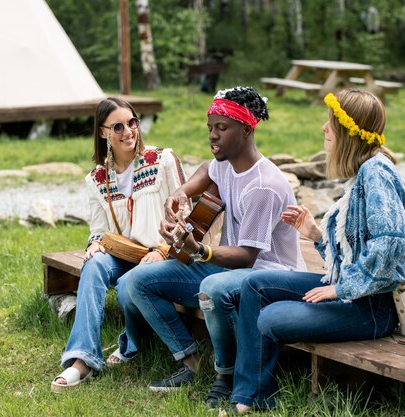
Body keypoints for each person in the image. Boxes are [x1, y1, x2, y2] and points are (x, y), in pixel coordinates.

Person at [229, 89, 405, 414]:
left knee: (271, 317)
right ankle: (250, 396)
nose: (323, 128)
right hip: (354, 291)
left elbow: (389, 244)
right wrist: (316, 235)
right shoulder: (364, 172)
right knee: (255, 285)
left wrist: (340, 289)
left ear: (348, 131)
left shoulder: (377, 175)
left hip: (374, 308)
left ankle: (252, 394)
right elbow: (357, 251)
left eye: (330, 122)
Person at [115, 86, 305, 406]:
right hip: (226, 267)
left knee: (213, 287)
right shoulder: (226, 163)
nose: (213, 136)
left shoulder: (264, 186)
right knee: (135, 280)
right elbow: (207, 168)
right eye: (210, 128)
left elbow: (246, 257)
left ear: (246, 129)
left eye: (222, 128)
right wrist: (181, 193)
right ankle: (190, 361)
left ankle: (226, 374)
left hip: (269, 276)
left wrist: (199, 250)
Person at [51, 97, 186, 391]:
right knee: (94, 264)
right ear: (103, 133)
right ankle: (83, 359)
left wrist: (163, 250)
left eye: (133, 122)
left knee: (128, 286)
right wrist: (94, 245)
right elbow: (99, 231)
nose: (129, 132)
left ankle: (131, 344)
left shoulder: (161, 160)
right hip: (127, 254)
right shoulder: (97, 179)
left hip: (165, 254)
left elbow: (187, 214)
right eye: (119, 127)